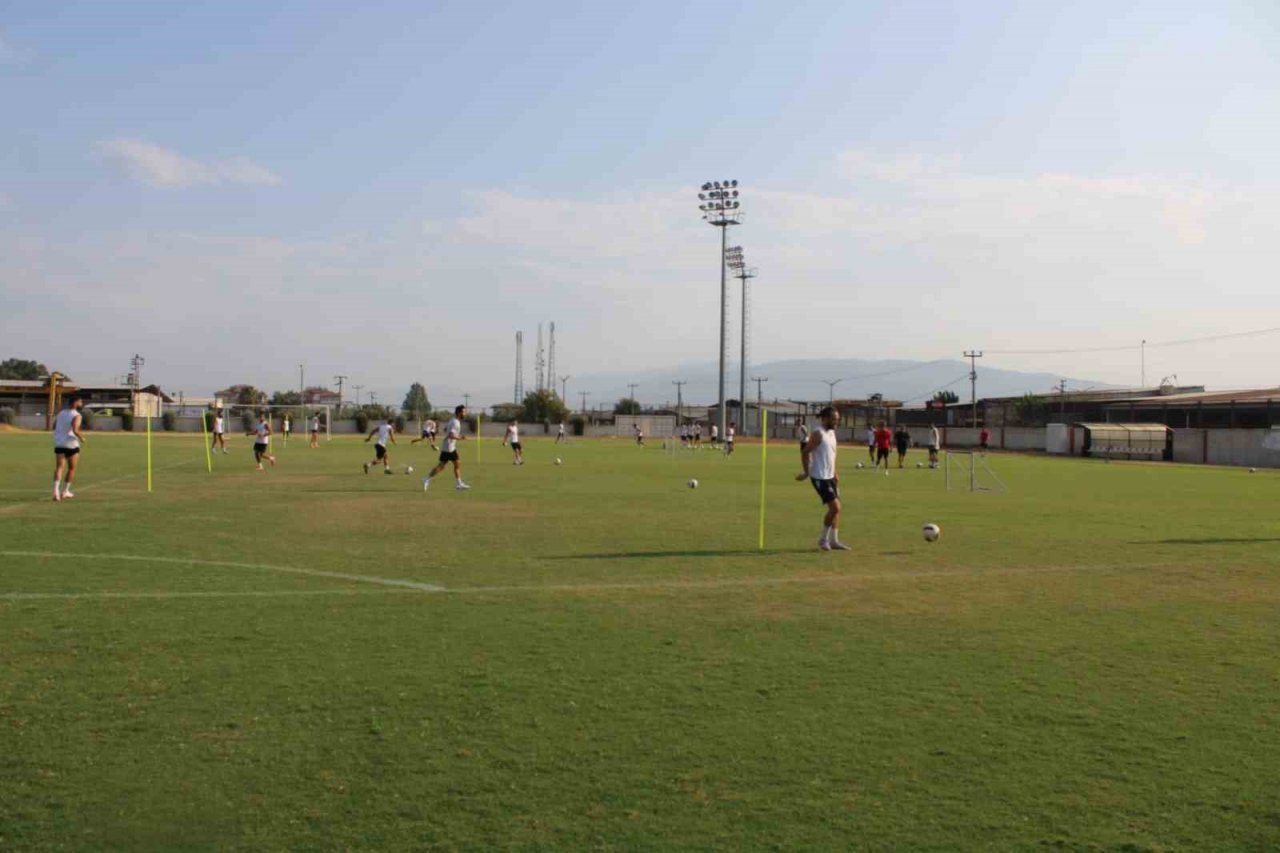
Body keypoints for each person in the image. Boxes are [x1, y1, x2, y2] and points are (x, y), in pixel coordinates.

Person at [796, 406, 849, 551]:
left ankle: (834, 541)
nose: (836, 421)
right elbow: (805, 452)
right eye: (833, 419)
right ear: (824, 418)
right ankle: (823, 539)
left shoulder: (832, 433)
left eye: (837, 419)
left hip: (830, 475)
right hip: (819, 476)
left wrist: (835, 471)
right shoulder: (818, 434)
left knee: (837, 510)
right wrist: (807, 472)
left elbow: (831, 454)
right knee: (835, 507)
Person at [423, 404, 470, 491]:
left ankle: (426, 479)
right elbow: (450, 435)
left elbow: (445, 429)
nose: (465, 413)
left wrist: (450, 433)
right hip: (449, 447)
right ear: (459, 412)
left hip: (447, 446)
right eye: (464, 412)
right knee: (455, 464)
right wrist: (460, 438)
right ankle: (459, 484)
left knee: (443, 466)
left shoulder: (452, 420)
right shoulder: (456, 423)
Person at [52, 395, 85, 501]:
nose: (81, 404)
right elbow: (75, 429)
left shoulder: (61, 413)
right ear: (75, 402)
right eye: (80, 401)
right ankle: (65, 491)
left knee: (59, 467)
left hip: (59, 443)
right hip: (71, 444)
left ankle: (55, 491)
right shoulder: (77, 415)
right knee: (71, 468)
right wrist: (82, 438)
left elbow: (56, 425)